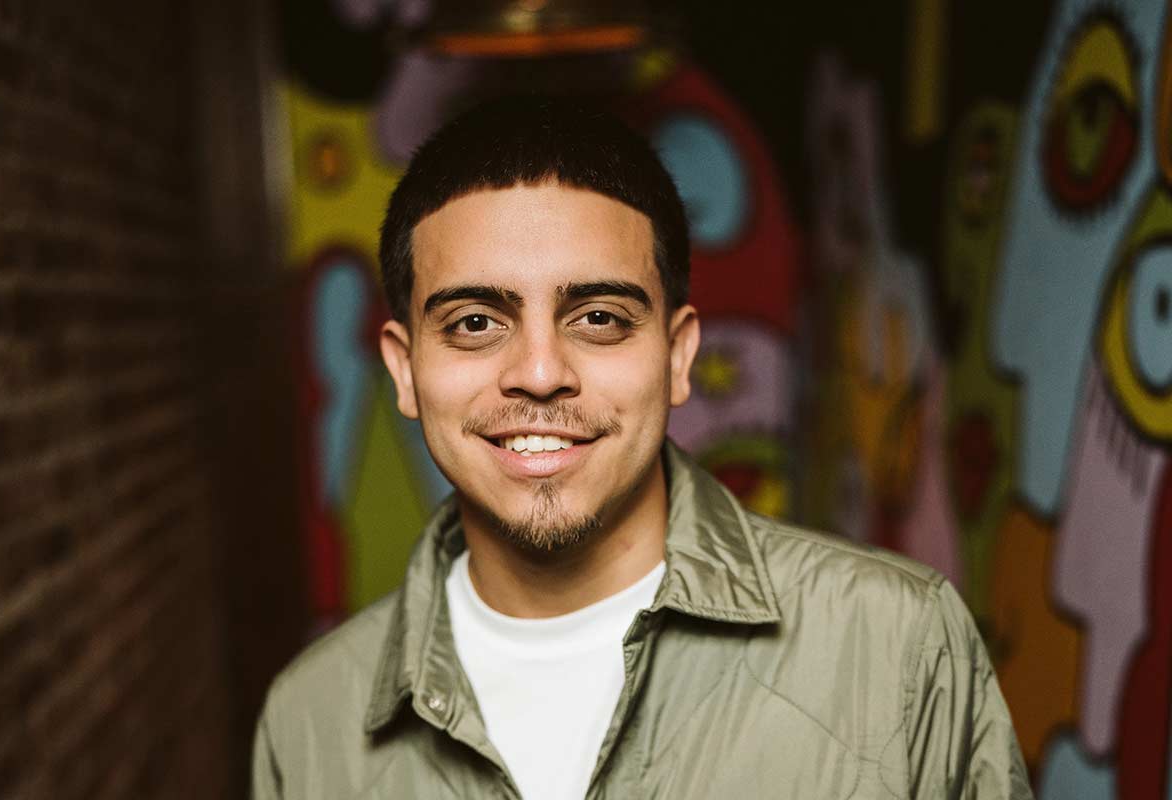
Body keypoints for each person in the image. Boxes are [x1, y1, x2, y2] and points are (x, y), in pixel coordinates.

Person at [252, 96, 1033, 799]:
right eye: (474, 323)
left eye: (597, 317)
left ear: (677, 355)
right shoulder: (310, 721)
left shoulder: (895, 645)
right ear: (405, 370)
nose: (539, 374)